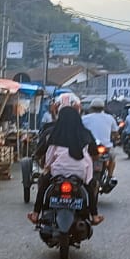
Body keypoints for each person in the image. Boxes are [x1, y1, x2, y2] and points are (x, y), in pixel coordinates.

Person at [29, 93, 102, 225]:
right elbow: (94, 154)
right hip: (80, 172)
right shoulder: (85, 133)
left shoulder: (54, 133)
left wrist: (47, 168)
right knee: (90, 187)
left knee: (43, 184)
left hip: (58, 172)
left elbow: (49, 158)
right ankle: (95, 215)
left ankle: (35, 214)